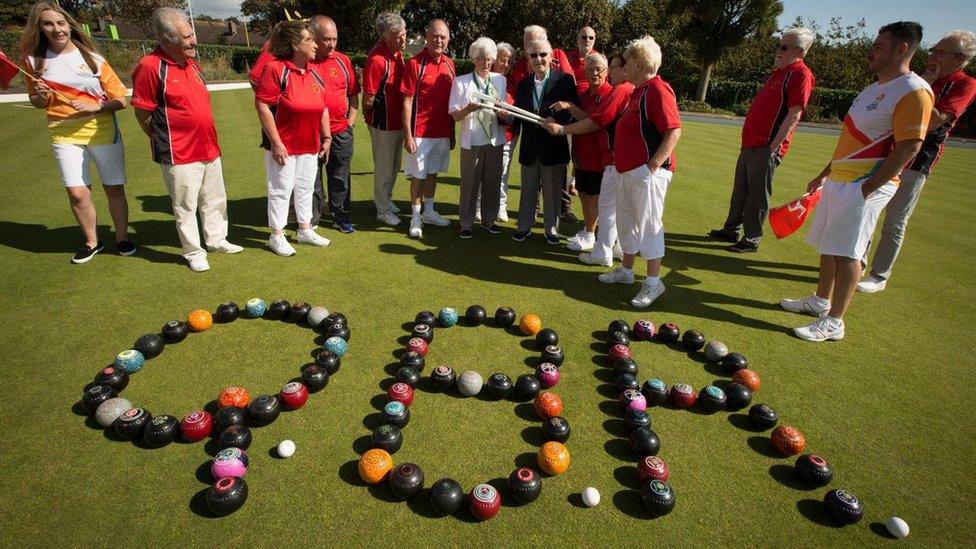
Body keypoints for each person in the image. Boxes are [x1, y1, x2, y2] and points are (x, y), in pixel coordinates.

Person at [781, 22, 933, 341]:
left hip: (867, 184)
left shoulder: (914, 90)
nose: (872, 50)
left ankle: (835, 321)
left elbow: (909, 145)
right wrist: (826, 173)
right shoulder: (873, 88)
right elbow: (851, 139)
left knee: (849, 251)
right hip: (841, 178)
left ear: (901, 49)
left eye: (879, 46)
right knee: (830, 245)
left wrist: (868, 188)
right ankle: (820, 301)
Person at [858, 29, 976, 293]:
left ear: (959, 58)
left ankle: (880, 275)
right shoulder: (918, 78)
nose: (932, 55)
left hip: (917, 159)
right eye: (933, 50)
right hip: (886, 152)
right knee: (868, 210)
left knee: (895, 220)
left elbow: (934, 120)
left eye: (940, 52)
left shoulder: (964, 84)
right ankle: (858, 261)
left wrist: (926, 86)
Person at [20, 1, 133, 264]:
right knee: (77, 192)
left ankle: (123, 238)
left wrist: (96, 107)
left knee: (114, 188)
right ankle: (92, 241)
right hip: (63, 130)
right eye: (48, 24)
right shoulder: (33, 61)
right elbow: (39, 103)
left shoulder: (93, 59)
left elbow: (121, 99)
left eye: (61, 23)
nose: (56, 29)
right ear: (40, 27)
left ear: (69, 25)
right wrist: (41, 96)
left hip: (102, 129)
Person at [132, 7, 242, 272]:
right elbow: (142, 112)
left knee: (214, 198)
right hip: (178, 151)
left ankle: (216, 239)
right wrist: (163, 139)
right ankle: (193, 251)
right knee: (185, 205)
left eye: (191, 35)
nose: (193, 41)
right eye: (185, 38)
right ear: (165, 39)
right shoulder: (150, 67)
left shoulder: (191, 63)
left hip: (208, 145)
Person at [590, 36, 681, 308]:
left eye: (628, 62)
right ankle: (626, 271)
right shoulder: (639, 90)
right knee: (627, 222)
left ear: (641, 64)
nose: (623, 67)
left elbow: (673, 130)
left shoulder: (657, 90)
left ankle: (653, 282)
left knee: (650, 224)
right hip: (627, 171)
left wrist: (651, 167)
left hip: (647, 174)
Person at [708, 27, 816, 253]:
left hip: (767, 147)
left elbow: (794, 114)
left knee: (757, 196)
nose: (779, 50)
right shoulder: (779, 72)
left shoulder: (800, 74)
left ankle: (752, 238)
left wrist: (773, 148)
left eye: (784, 46)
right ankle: (731, 229)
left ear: (800, 51)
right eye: (779, 44)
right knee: (741, 191)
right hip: (751, 143)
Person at [253, 19, 332, 256]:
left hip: (310, 144)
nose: (315, 44)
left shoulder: (314, 72)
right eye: (309, 40)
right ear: (295, 45)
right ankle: (276, 235)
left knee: (306, 188)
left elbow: (323, 107)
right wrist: (276, 142)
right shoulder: (276, 69)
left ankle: (304, 230)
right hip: (284, 145)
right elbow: (262, 105)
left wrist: (326, 137)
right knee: (281, 189)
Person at [509, 38, 578, 244]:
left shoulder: (564, 80)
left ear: (551, 56)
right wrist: (506, 116)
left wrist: (556, 119)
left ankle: (551, 230)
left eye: (542, 54)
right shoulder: (523, 84)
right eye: (533, 55)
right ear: (528, 59)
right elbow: (519, 115)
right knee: (528, 190)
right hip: (530, 147)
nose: (538, 59)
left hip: (554, 147)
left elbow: (573, 111)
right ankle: (524, 227)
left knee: (552, 193)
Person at [547, 52, 614, 253]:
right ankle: (590, 231)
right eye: (590, 69)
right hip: (582, 156)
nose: (594, 73)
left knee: (594, 198)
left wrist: (570, 107)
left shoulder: (608, 94)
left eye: (599, 69)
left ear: (606, 72)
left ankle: (594, 235)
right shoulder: (585, 94)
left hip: (599, 158)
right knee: (584, 196)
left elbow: (592, 121)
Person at [401, 19, 456, 238]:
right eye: (435, 36)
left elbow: (452, 103)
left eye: (443, 37)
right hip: (420, 133)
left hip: (442, 132)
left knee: (433, 174)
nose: (439, 40)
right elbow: (406, 103)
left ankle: (429, 212)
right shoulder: (415, 63)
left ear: (448, 39)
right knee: (418, 176)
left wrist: (451, 133)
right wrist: (408, 136)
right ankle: (415, 218)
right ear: (427, 36)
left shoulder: (450, 64)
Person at [449, 37, 508, 238]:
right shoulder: (461, 82)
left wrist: (502, 113)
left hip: (495, 140)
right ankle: (466, 223)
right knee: (469, 184)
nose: (486, 63)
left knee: (492, 182)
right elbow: (455, 116)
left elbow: (503, 109)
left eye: (490, 59)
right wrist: (468, 109)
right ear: (474, 59)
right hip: (472, 142)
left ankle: (489, 220)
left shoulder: (500, 80)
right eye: (482, 59)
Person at [308, 16, 360, 235]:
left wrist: (350, 123)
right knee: (312, 178)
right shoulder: (303, 60)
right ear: (313, 38)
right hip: (311, 133)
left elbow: (353, 94)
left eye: (334, 39)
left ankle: (341, 217)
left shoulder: (342, 60)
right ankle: (312, 218)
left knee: (340, 177)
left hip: (340, 131)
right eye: (326, 39)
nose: (331, 44)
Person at [363, 12, 407, 226]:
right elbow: (369, 97)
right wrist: (369, 117)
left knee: (394, 165)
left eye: (404, 33)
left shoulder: (398, 54)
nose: (403, 39)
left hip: (399, 121)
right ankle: (382, 209)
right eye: (397, 35)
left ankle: (387, 201)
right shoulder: (377, 59)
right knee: (383, 167)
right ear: (384, 36)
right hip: (383, 123)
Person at [476, 41, 517, 223]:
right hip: (482, 132)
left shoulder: (514, 84)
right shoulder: (483, 78)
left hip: (507, 134)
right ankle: (478, 206)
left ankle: (501, 206)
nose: (506, 65)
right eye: (502, 60)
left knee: (503, 172)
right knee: (481, 172)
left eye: (510, 61)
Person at [568, 26, 598, 97]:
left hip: (590, 98)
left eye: (591, 38)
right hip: (569, 96)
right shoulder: (567, 57)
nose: (588, 40)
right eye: (584, 37)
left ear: (594, 40)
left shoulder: (599, 59)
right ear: (578, 39)